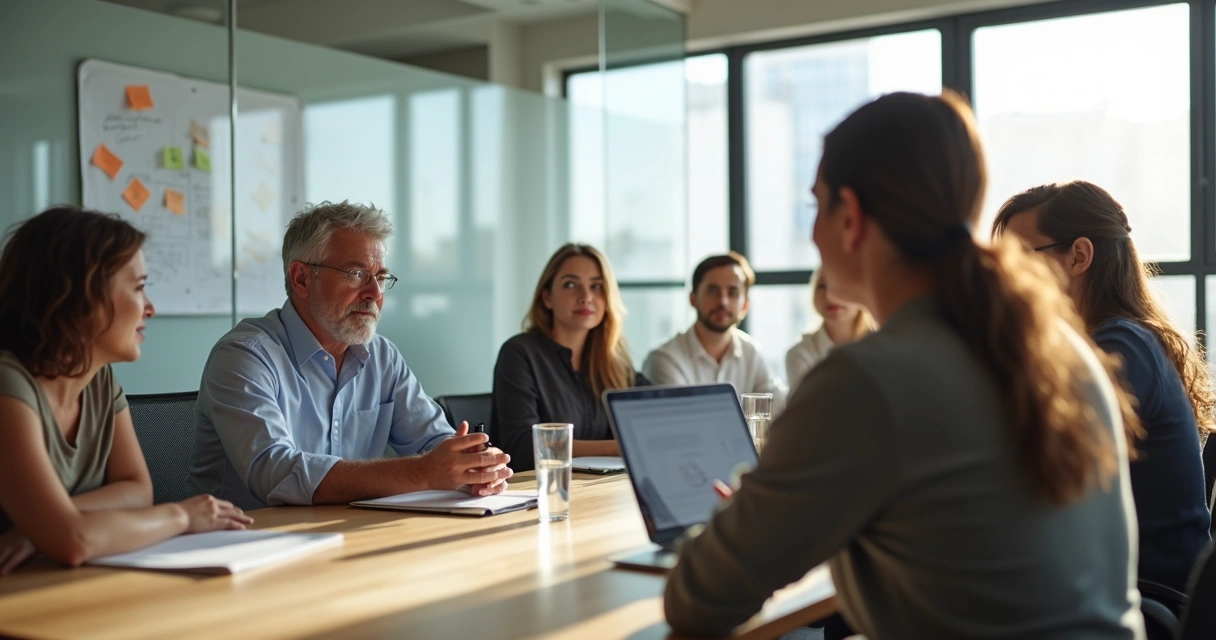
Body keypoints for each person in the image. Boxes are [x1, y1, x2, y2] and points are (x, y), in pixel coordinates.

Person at [664, 92, 1144, 639]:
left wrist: (759, 502)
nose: (813, 233)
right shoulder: (1056, 347)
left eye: (816, 206)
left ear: (852, 217)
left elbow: (697, 598)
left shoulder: (868, 378)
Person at [189, 201, 511, 510]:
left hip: (345, 538)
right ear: (301, 278)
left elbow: (435, 443)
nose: (375, 294)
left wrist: (472, 466)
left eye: (381, 277)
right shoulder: (244, 357)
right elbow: (275, 472)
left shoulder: (382, 357)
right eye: (356, 274)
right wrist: (423, 472)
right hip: (243, 548)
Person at [0, 207, 252, 575]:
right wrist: (181, 515)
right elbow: (74, 541)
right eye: (138, 288)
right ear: (81, 296)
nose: (150, 308)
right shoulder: (9, 386)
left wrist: (39, 529)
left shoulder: (99, 381)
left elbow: (137, 492)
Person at [993, 180, 1213, 592]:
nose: (1006, 279)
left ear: (1078, 256)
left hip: (1144, 603)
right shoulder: (1115, 343)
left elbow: (1039, 462)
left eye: (1019, 259)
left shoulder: (1122, 348)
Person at [492, 243, 647, 472]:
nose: (586, 297)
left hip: (599, 492)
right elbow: (523, 447)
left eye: (597, 286)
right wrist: (617, 447)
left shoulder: (613, 362)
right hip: (535, 494)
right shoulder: (519, 353)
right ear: (547, 298)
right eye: (571, 285)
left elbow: (657, 411)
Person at [643, 253, 787, 409]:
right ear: (693, 298)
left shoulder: (751, 352)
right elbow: (682, 424)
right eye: (713, 290)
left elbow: (780, 410)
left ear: (745, 305)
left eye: (732, 292)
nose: (723, 301)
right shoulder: (665, 359)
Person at [784, 267, 875, 390]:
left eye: (841, 286)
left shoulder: (883, 347)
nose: (831, 296)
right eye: (822, 286)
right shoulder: (801, 352)